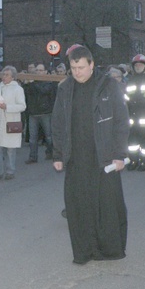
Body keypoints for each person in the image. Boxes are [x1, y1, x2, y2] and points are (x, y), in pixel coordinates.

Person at [52, 45, 130, 265]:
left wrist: (119, 153)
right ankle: (84, 250)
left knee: (107, 204)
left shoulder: (109, 86)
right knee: (79, 206)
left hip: (104, 156)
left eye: (81, 67)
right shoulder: (65, 88)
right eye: (74, 68)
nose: (77, 72)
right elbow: (58, 122)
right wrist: (58, 154)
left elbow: (121, 122)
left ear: (92, 65)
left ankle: (110, 249)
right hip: (76, 157)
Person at [23, 63, 56, 164]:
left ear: (45, 72)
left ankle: (50, 152)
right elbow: (26, 94)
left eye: (41, 70)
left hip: (45, 113)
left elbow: (43, 91)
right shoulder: (31, 83)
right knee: (32, 138)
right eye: (37, 70)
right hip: (33, 113)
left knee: (49, 136)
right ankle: (33, 156)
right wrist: (26, 84)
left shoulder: (49, 83)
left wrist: (32, 83)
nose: (38, 72)